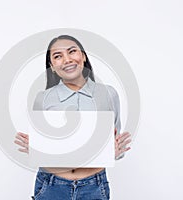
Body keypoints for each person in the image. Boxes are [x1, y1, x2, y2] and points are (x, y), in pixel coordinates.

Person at [14, 35, 132, 200]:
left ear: (83, 56)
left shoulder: (108, 94)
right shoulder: (43, 98)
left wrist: (115, 152)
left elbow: (114, 142)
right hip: (51, 186)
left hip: (94, 187)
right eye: (58, 56)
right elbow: (44, 146)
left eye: (72, 52)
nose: (67, 59)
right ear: (52, 66)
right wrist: (36, 149)